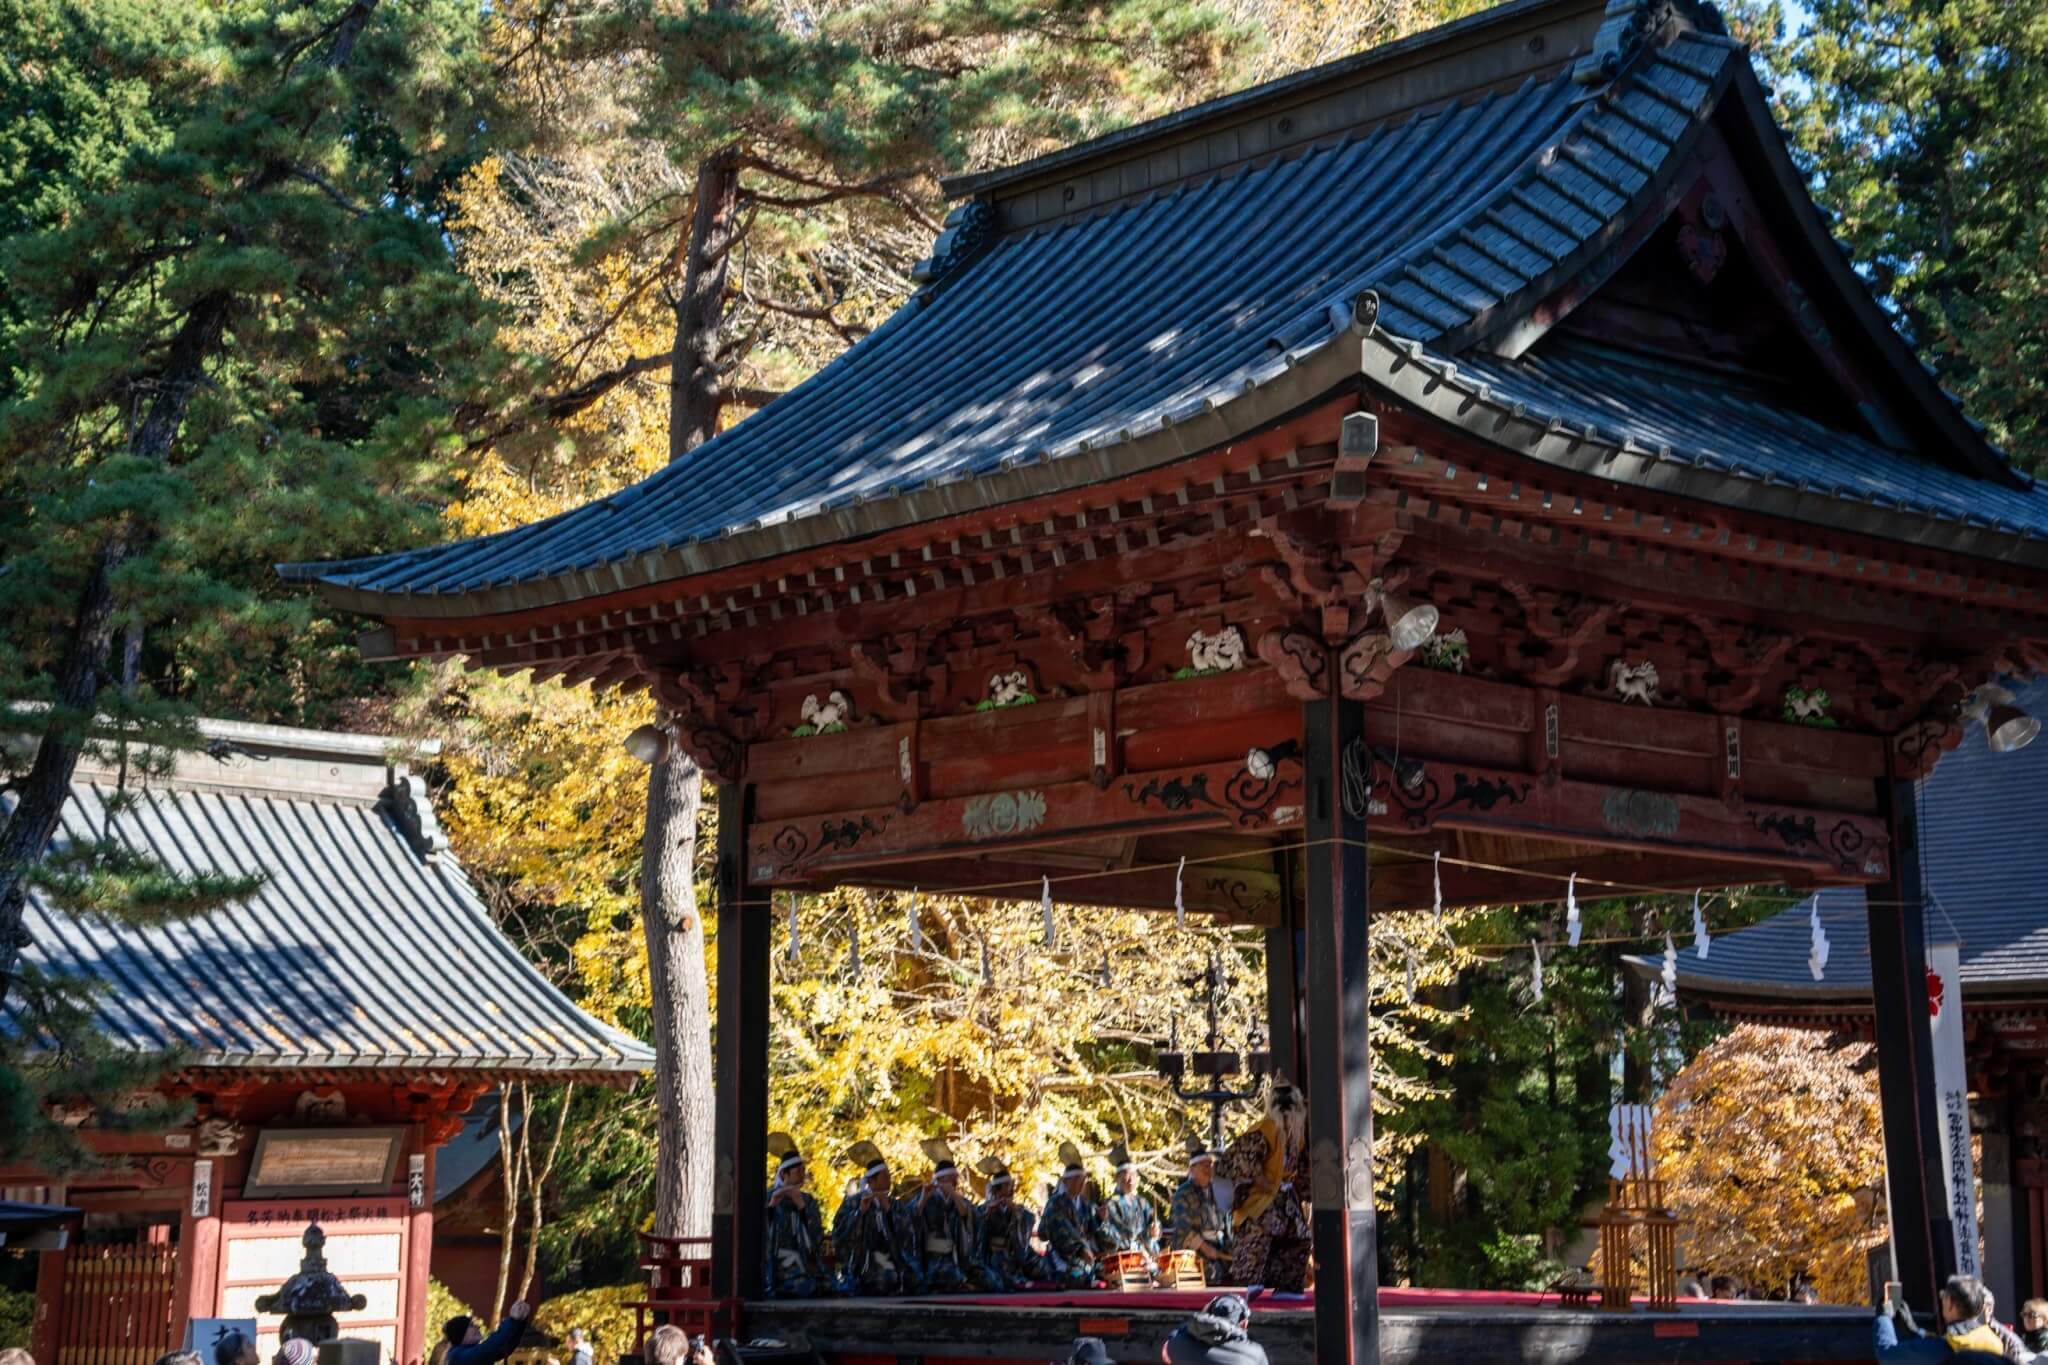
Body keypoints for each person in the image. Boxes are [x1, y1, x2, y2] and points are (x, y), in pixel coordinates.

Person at [1216, 1077, 1311, 1293]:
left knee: (1300, 1237)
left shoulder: (1297, 1135)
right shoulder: (1265, 1128)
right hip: (1261, 1200)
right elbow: (1243, 1157)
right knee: (1258, 1236)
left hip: (1285, 1198)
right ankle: (1249, 1285)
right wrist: (1261, 1179)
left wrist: (1306, 1190)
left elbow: (1302, 1169)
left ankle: (1287, 1288)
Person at [832, 1140, 918, 1295]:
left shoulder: (894, 1204)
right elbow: (840, 1231)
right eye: (885, 1177)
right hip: (866, 1261)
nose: (889, 1180)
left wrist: (888, 1211)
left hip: (891, 1258)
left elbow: (909, 1233)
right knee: (882, 1279)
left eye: (889, 1176)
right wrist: (860, 1213)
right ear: (871, 1181)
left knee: (910, 1279)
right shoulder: (854, 1202)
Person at [1872, 1274, 2007, 1362]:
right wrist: (1915, 1330)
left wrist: (1884, 1317)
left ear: (1951, 1304)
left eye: (1943, 1295)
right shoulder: (1994, 1342)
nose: (1941, 1299)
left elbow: (1887, 1354)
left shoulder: (1944, 1349)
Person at [763, 1132, 833, 1298]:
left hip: (804, 1260)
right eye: (798, 1171)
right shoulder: (767, 1198)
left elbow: (816, 1237)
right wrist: (772, 1207)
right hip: (778, 1262)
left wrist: (801, 1207)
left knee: (827, 1285)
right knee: (802, 1285)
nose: (802, 1174)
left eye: (804, 1170)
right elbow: (760, 1237)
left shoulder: (808, 1200)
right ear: (783, 1175)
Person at [909, 1138, 977, 1293]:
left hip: (953, 1254)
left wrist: (953, 1194)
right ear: (940, 1179)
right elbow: (912, 1218)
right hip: (932, 1256)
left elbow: (966, 1214)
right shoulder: (927, 1197)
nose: (955, 1182)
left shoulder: (957, 1199)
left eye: (955, 1179)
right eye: (951, 1178)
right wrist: (924, 1199)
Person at [1036, 1142, 1107, 1289]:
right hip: (1062, 1256)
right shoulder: (1055, 1204)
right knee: (1076, 1277)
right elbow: (1046, 1232)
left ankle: (1092, 1275)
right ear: (1066, 1181)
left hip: (1086, 1256)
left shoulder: (1086, 1204)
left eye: (1082, 1181)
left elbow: (1095, 1233)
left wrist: (1100, 1220)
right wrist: (1080, 1249)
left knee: (1108, 1269)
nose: (1080, 1184)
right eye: (1076, 1180)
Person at [975, 1156, 1052, 1292]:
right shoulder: (985, 1208)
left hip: (1015, 1254)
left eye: (1011, 1185)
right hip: (995, 1255)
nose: (1012, 1189)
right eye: (1008, 1186)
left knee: (1044, 1268)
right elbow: (976, 1226)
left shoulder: (1017, 1208)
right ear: (998, 1189)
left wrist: (1017, 1212)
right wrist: (987, 1214)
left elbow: (1029, 1219)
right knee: (1001, 1277)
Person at [1167, 1138, 1230, 1285]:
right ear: (1192, 1169)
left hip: (1218, 1245)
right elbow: (1183, 1228)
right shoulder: (1183, 1194)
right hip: (1193, 1249)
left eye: (1210, 1165)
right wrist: (1205, 1248)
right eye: (1203, 1166)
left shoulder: (1217, 1190)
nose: (1209, 1169)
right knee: (1211, 1273)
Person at [1100, 1141, 1161, 1269]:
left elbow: (1153, 1222)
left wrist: (1154, 1230)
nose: (1131, 1179)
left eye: (1134, 1175)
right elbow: (1112, 1235)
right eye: (1127, 1175)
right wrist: (1136, 1247)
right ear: (1117, 1178)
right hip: (1122, 1256)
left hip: (1143, 1254)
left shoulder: (1142, 1202)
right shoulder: (1111, 1204)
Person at [1162, 1294, 1270, 1365]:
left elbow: (1176, 1336)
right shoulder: (1255, 1353)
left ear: (1206, 1315)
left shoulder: (1177, 1345)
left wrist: (1201, 1318)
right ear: (1244, 1324)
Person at [444, 1299, 533, 1365]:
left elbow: (506, 1347)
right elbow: (487, 1349)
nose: (477, 1326)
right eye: (471, 1325)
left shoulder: (470, 1352)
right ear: (461, 1333)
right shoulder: (456, 1356)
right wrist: (512, 1320)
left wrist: (519, 1322)